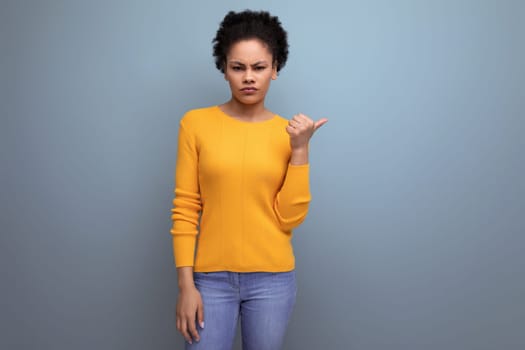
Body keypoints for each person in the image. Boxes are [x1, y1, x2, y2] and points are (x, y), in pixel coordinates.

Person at [170, 9, 327, 350]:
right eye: (237, 67)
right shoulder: (195, 124)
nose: (248, 78)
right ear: (224, 69)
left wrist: (300, 149)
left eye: (258, 67)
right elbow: (185, 206)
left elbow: (289, 218)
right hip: (209, 281)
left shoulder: (288, 133)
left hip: (272, 280)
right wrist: (186, 285)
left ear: (275, 69)